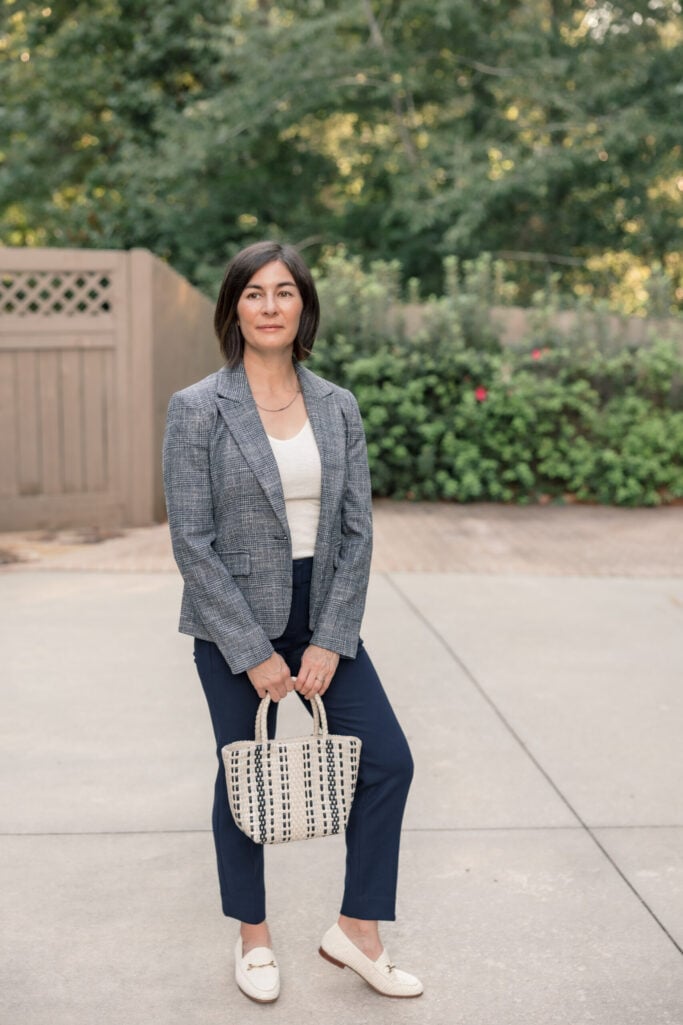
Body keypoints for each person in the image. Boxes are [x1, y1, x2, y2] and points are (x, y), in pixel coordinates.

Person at [162, 240, 422, 1003]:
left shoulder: (337, 405)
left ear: (303, 305)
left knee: (388, 762)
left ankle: (357, 930)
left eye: (283, 292)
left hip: (324, 609)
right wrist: (250, 651)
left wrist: (332, 636)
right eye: (253, 293)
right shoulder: (198, 408)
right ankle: (253, 937)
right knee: (244, 773)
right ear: (233, 308)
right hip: (231, 619)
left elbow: (355, 530)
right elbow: (192, 540)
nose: (269, 306)